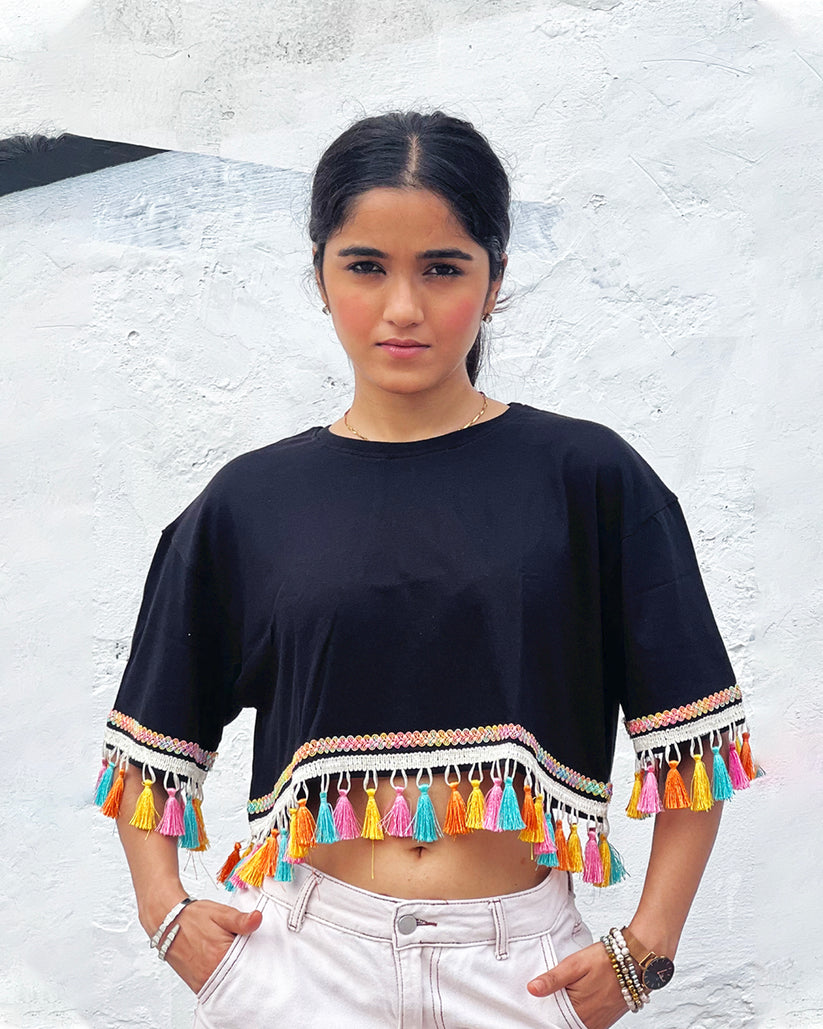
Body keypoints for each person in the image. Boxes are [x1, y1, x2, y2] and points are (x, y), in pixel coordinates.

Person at [95, 111, 758, 1028]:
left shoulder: (589, 479)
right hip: (306, 972)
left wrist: (643, 951)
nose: (402, 307)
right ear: (321, 277)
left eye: (442, 268)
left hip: (519, 971)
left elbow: (695, 743)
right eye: (365, 266)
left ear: (494, 281)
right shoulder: (251, 501)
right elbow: (150, 742)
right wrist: (165, 913)